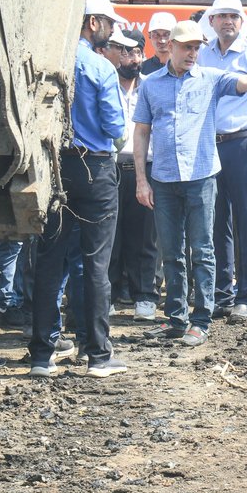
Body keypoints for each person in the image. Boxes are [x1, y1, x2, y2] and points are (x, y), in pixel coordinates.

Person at [133, 20, 247, 347]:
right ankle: (176, 317)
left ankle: (201, 318)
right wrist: (141, 181)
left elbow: (246, 83)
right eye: (186, 47)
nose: (192, 53)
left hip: (201, 178)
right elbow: (142, 131)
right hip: (164, 178)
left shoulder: (212, 79)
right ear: (170, 46)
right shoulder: (150, 85)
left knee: (202, 249)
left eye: (196, 47)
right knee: (171, 251)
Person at [28, 0, 127, 378]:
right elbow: (115, 128)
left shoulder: (48, 61)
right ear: (92, 23)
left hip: (52, 170)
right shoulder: (100, 68)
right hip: (96, 170)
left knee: (50, 262)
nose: (113, 30)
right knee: (95, 263)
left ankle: (41, 355)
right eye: (109, 23)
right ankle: (98, 356)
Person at [196, 0, 247, 323]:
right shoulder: (202, 54)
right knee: (218, 222)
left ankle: (246, 296)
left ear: (241, 22)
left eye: (234, 16)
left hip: (242, 142)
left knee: (246, 219)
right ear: (212, 21)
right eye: (221, 16)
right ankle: (222, 294)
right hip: (211, 145)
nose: (228, 21)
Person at [104, 28, 159, 320]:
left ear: (142, 55)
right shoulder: (105, 82)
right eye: (125, 52)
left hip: (145, 167)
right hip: (110, 166)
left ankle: (145, 296)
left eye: (136, 52)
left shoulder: (151, 86)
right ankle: (109, 295)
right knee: (110, 236)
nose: (131, 58)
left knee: (145, 236)